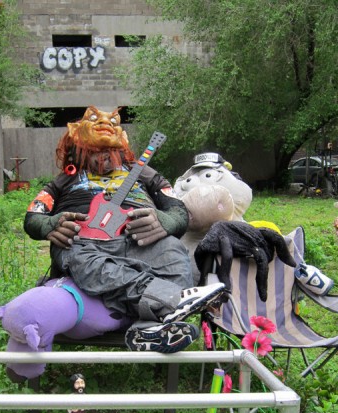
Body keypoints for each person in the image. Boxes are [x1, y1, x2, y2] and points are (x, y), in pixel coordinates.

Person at [24, 106, 225, 352]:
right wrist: (50, 224)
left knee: (172, 251)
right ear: (79, 150)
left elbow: (178, 209)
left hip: (139, 240)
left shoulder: (144, 174)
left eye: (109, 151)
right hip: (83, 243)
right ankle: (169, 300)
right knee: (79, 258)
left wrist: (163, 221)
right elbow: (33, 216)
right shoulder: (64, 180)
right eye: (93, 152)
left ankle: (148, 329)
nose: (102, 158)